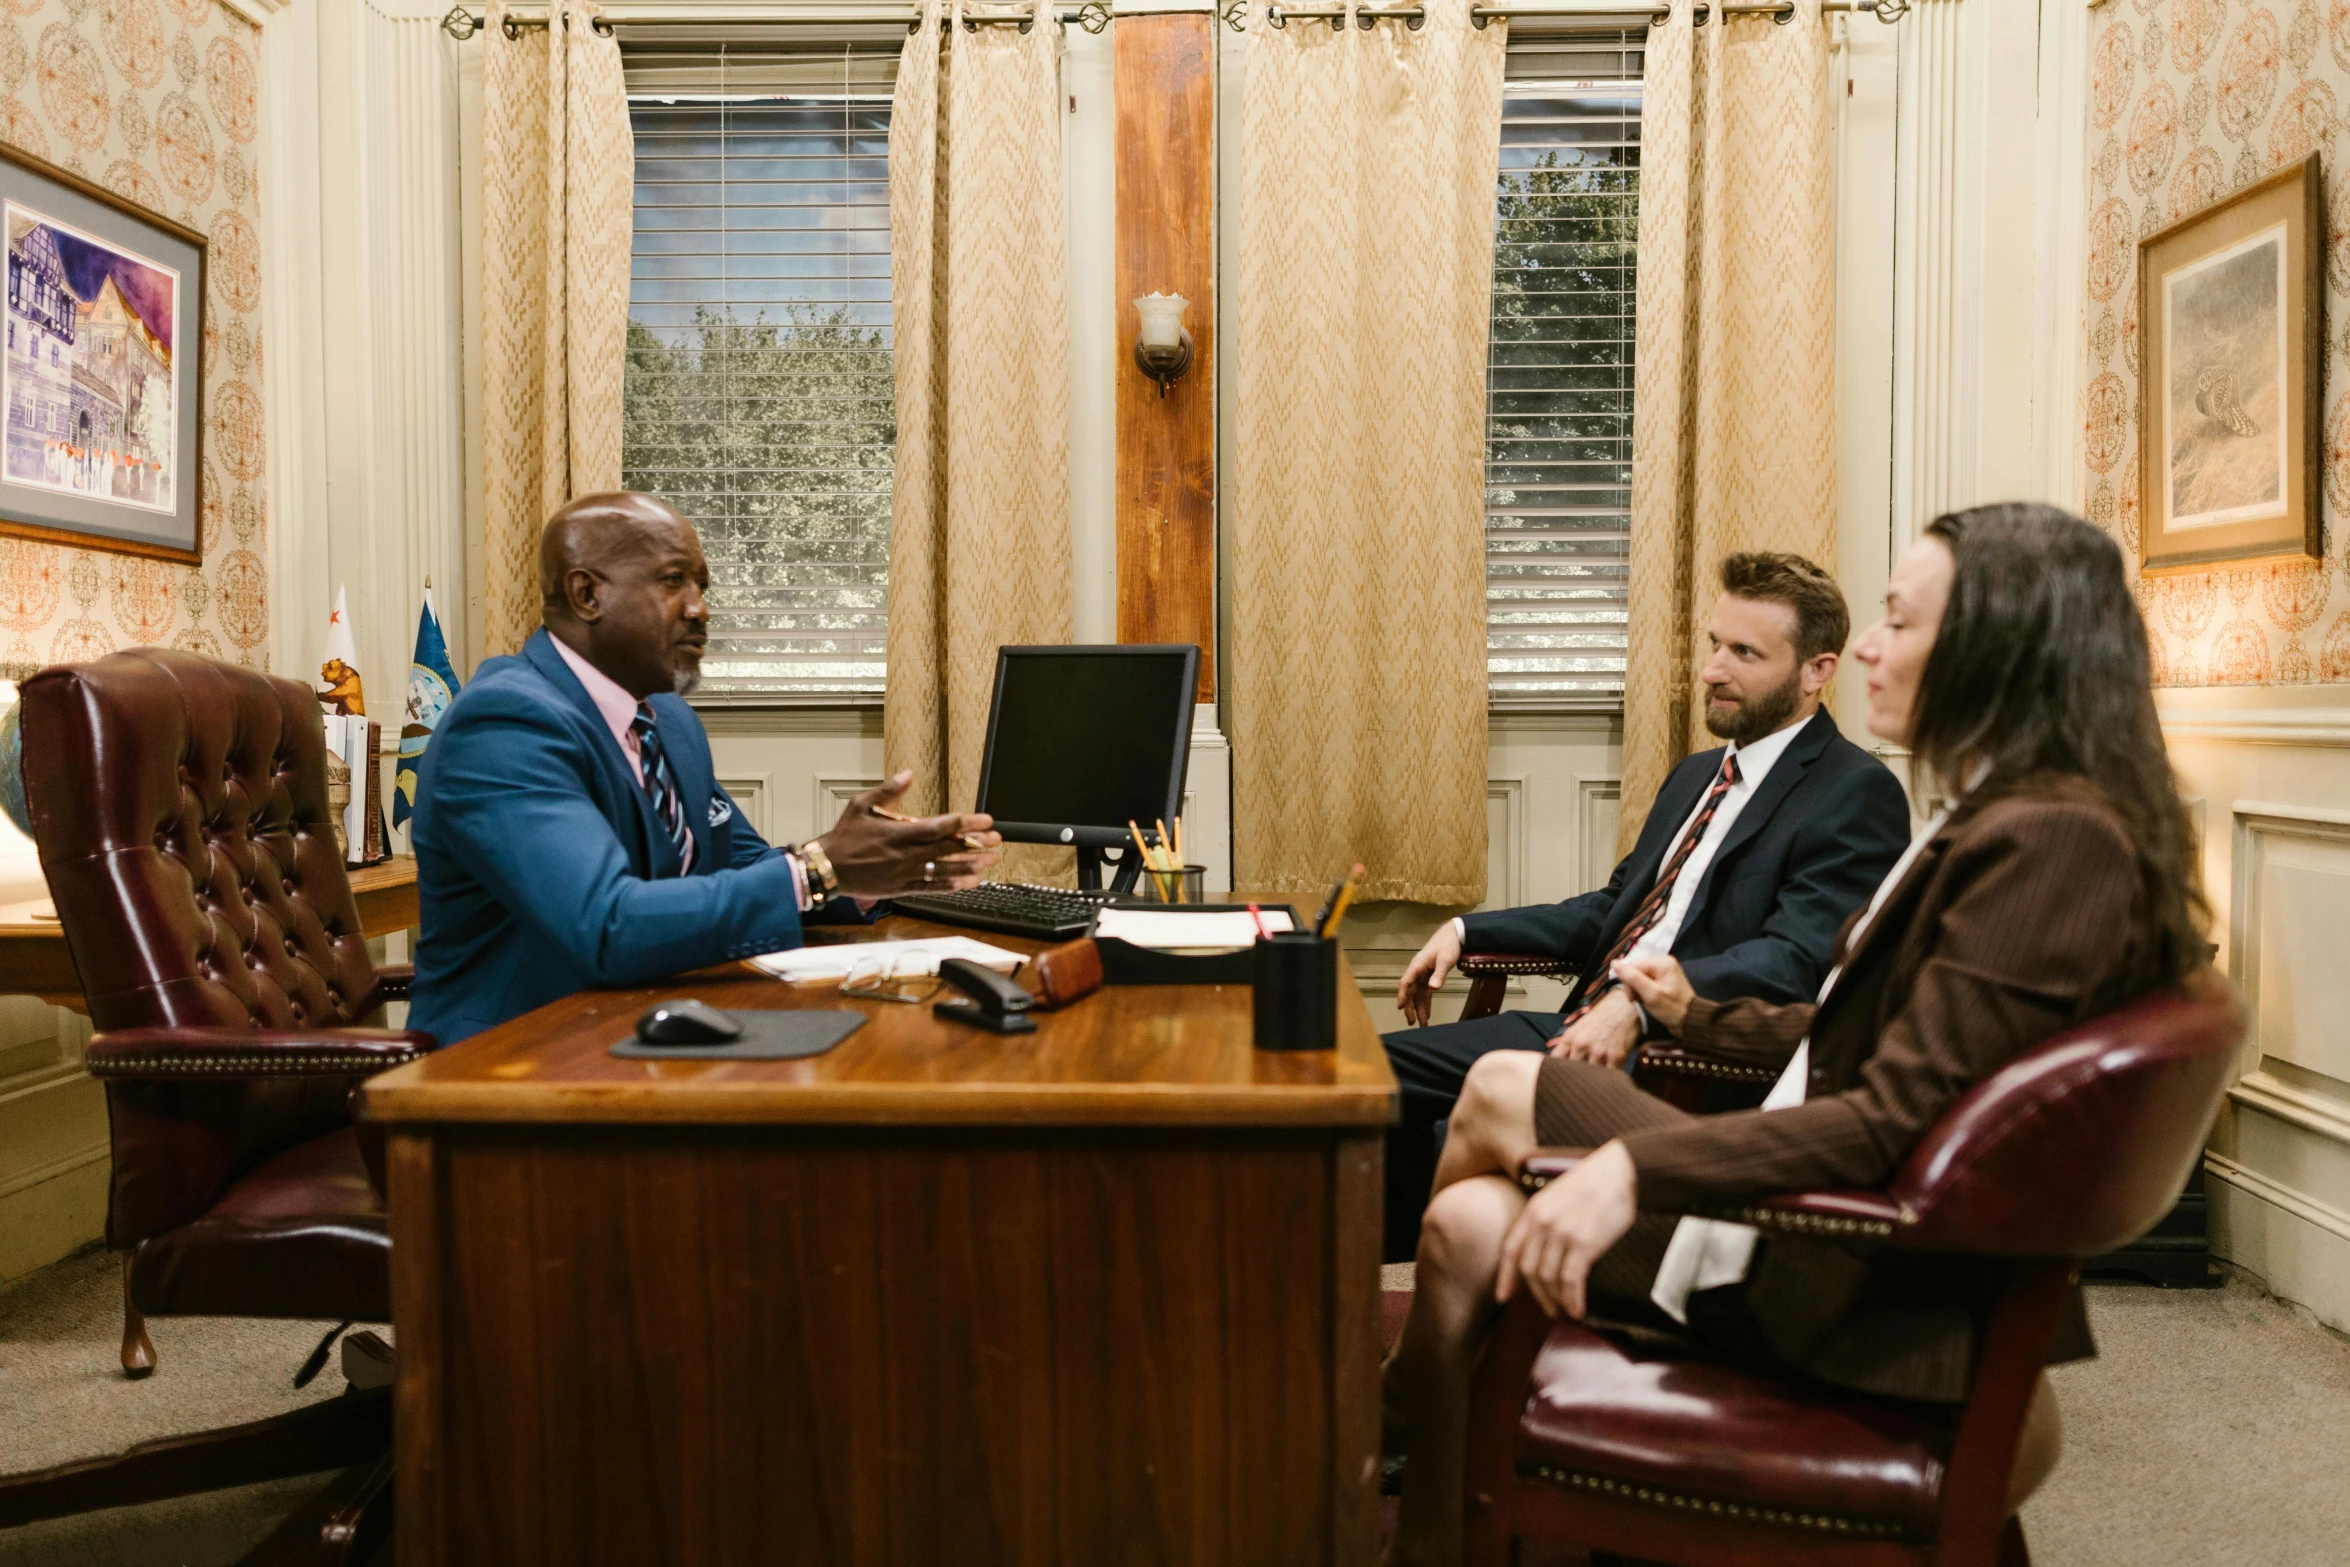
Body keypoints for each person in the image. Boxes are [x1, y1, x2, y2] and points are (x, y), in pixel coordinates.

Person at [1378, 504, 2213, 1565]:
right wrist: (1692, 1010)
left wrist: (1635, 1168)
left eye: (1900, 622)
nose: (1868, 643)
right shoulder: (2015, 817)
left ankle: (1386, 1443)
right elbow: (1886, 1034)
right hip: (1830, 1224)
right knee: (1464, 1231)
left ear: (1999, 648)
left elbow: (1887, 1122)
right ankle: (1430, 1501)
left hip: (1839, 1270)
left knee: (1502, 1085)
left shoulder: (2048, 845)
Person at [1380, 553, 1911, 1260]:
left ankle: (1439, 1292)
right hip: (1572, 1024)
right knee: (1365, 1082)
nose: (1714, 669)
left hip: (1672, 1058)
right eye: (1714, 644)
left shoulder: (1853, 791)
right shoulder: (1697, 774)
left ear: (1817, 670)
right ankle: (1335, 1301)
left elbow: (1793, 958)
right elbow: (1611, 911)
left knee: (1457, 1122)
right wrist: (1465, 927)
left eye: (1745, 653)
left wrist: (1638, 1001)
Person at [407, 492, 999, 1045]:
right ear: (588, 594)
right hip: (510, 1067)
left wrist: (863, 876)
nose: (701, 608)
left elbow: (742, 865)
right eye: (673, 582)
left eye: (702, 585)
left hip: (642, 1027)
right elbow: (607, 925)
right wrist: (818, 870)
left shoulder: (669, 721)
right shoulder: (505, 725)